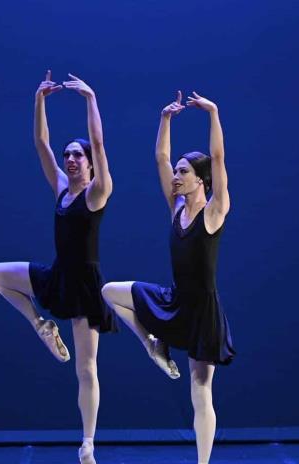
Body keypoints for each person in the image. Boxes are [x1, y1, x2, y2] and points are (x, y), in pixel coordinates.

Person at [0, 71, 114, 464]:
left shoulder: (97, 191)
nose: (72, 158)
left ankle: (87, 443)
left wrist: (90, 98)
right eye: (68, 154)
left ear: (90, 164)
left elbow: (98, 141)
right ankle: (41, 325)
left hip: (85, 284)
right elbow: (41, 142)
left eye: (78, 155)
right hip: (58, 275)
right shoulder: (61, 188)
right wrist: (38, 100)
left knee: (86, 368)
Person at [101, 91, 234, 464]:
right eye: (176, 172)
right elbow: (160, 157)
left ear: (200, 179)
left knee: (201, 388)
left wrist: (213, 112)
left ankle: (203, 462)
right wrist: (165, 119)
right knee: (111, 292)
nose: (175, 177)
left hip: (202, 310)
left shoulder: (214, 212)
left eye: (183, 172)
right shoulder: (176, 207)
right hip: (173, 299)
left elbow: (219, 158)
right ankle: (153, 344)